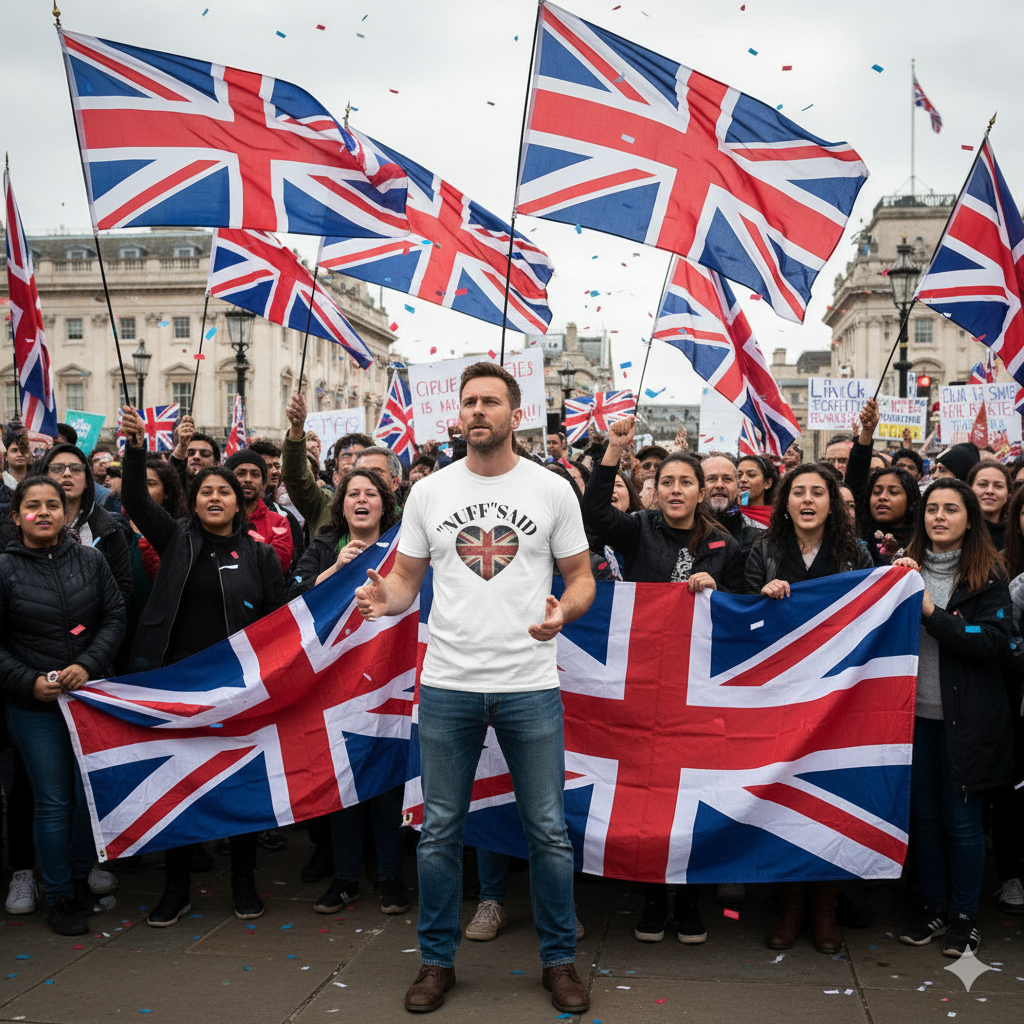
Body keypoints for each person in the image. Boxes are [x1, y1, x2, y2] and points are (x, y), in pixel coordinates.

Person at [354, 362, 596, 1015]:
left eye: (491, 401)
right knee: (438, 832)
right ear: (458, 416)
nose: (478, 411)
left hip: (529, 683)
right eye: (470, 402)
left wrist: (562, 613)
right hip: (450, 684)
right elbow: (405, 581)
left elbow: (582, 578)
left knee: (547, 830)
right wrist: (387, 597)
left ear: (516, 415)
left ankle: (559, 962)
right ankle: (436, 964)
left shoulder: (552, 491)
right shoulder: (429, 493)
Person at [119, 405, 284, 926]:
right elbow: (133, 500)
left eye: (226, 491)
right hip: (178, 683)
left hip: (239, 687)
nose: (216, 497)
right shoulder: (177, 540)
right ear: (194, 500)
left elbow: (282, 622)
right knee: (179, 788)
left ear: (240, 502)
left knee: (241, 787)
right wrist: (136, 448)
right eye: (207, 491)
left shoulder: (259, 556)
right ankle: (176, 889)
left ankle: (243, 883)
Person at [584, 417, 743, 945]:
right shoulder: (640, 530)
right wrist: (613, 452)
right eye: (667, 483)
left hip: (697, 689)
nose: (676, 490)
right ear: (656, 490)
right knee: (646, 795)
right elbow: (597, 514)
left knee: (693, 793)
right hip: (643, 684)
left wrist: (714, 588)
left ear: (701, 491)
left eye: (686, 483)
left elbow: (743, 611)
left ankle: (691, 902)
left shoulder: (724, 544)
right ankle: (653, 899)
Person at [745, 464, 872, 953]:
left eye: (818, 492)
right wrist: (764, 600)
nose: (808, 500)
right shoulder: (764, 552)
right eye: (798, 492)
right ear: (785, 502)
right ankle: (790, 907)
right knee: (786, 800)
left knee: (829, 800)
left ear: (831, 504)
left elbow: (870, 607)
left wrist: (899, 574)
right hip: (780, 696)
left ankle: (824, 912)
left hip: (837, 696)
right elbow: (744, 622)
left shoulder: (852, 553)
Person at [893, 480, 1015, 955]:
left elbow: (989, 639)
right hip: (914, 719)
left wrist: (930, 612)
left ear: (970, 519)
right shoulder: (904, 570)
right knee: (923, 818)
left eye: (950, 509)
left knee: (962, 823)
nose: (938, 516)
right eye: (931, 509)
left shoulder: (989, 575)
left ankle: (965, 916)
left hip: (967, 722)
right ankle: (933, 909)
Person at [0, 475, 126, 935]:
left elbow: (115, 616)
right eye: (32, 505)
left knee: (83, 801)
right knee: (53, 802)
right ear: (17, 517)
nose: (44, 512)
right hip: (34, 708)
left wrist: (89, 664)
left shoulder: (91, 561)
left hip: (89, 701)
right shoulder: (5, 569)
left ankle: (77, 879)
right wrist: (27, 681)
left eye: (53, 504)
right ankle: (58, 896)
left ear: (66, 513)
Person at [283, 466, 407, 913]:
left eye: (370, 493)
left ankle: (391, 878)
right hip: (334, 684)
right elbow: (293, 601)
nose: (361, 500)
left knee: (386, 782)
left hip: (387, 680)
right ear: (341, 505)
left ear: (383, 503)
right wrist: (337, 568)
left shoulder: (403, 549)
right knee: (342, 779)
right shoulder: (322, 547)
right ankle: (344, 878)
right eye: (352, 493)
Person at [37, 443, 133, 613]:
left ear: (88, 481)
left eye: (75, 469)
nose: (67, 473)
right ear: (44, 477)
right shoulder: (27, 527)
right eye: (58, 468)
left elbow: (122, 592)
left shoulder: (111, 528)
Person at [845, 399, 920, 564]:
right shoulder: (860, 533)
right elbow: (855, 479)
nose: (882, 497)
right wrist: (867, 432)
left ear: (912, 502)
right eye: (876, 492)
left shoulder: (925, 540)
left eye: (893, 492)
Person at [225, 449, 294, 572]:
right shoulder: (217, 517)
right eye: (240, 474)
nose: (248, 479)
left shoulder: (278, 522)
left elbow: (277, 565)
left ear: (263, 483)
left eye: (255, 475)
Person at [967, 459, 1012, 549]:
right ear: (969, 489)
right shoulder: (957, 531)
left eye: (998, 486)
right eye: (982, 484)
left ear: (1008, 495)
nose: (990, 491)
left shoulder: (1015, 536)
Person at [168, 415, 221, 488]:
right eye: (190, 453)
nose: (196, 457)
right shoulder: (175, 492)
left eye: (205, 454)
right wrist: (182, 446)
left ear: (216, 464)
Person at [736, 454, 778, 528]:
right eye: (739, 475)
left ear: (767, 483)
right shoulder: (728, 515)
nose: (742, 479)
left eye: (751, 475)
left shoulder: (778, 520)